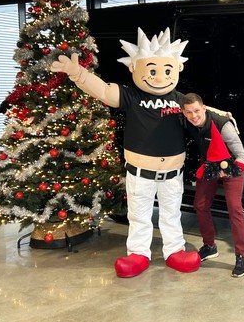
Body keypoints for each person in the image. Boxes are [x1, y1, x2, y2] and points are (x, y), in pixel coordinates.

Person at [51, 28, 201, 278]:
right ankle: (138, 254)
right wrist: (78, 73)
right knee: (139, 215)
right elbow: (102, 90)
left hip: (172, 174)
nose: (159, 77)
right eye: (152, 71)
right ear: (134, 68)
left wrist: (224, 121)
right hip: (140, 174)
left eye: (167, 71)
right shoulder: (131, 96)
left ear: (177, 69)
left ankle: (175, 250)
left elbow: (203, 114)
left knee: (172, 214)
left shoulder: (180, 99)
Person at [181, 93, 244, 278]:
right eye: (189, 112)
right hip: (210, 164)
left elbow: (242, 156)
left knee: (235, 209)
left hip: (233, 165)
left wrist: (228, 170)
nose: (194, 116)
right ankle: (210, 246)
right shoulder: (188, 121)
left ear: (204, 108)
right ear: (184, 113)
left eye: (197, 111)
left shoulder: (223, 125)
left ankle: (241, 256)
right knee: (200, 205)